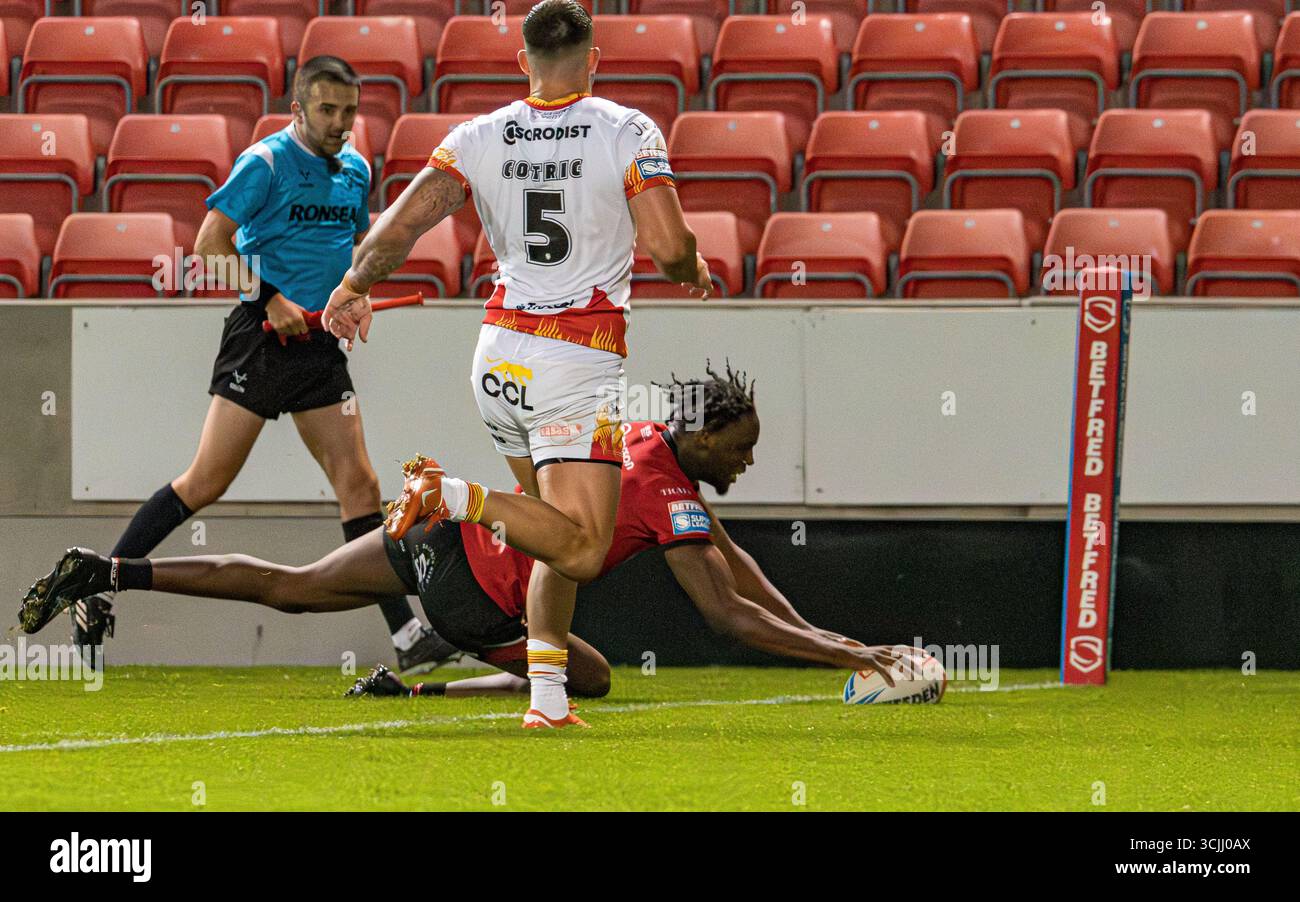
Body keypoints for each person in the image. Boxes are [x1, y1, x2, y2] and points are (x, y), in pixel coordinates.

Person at [19, 366, 905, 703]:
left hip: (435, 543)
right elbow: (730, 615)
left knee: (289, 586)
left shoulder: (635, 439)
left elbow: (739, 562)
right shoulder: (667, 489)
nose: (748, 464)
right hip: (479, 595)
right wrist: (856, 660)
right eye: (741, 449)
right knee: (588, 678)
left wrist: (840, 638)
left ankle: (111, 571)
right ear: (705, 437)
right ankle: (425, 685)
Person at [321, 1, 712, 726]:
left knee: (545, 531)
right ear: (594, 59)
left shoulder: (477, 136)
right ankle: (449, 497)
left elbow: (398, 227)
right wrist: (694, 266)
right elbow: (668, 245)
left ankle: (547, 700)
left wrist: (352, 288)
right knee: (586, 547)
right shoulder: (627, 129)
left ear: (521, 63)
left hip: (499, 358)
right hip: (575, 361)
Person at [68, 55, 452, 676]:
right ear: (298, 109)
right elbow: (208, 246)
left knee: (361, 485)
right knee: (206, 482)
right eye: (326, 110)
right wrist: (267, 296)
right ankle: (98, 585)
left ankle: (407, 635)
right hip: (260, 337)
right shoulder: (266, 162)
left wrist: (356, 295)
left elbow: (348, 250)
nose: (339, 122)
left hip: (318, 345)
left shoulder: (354, 170)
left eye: (349, 111)